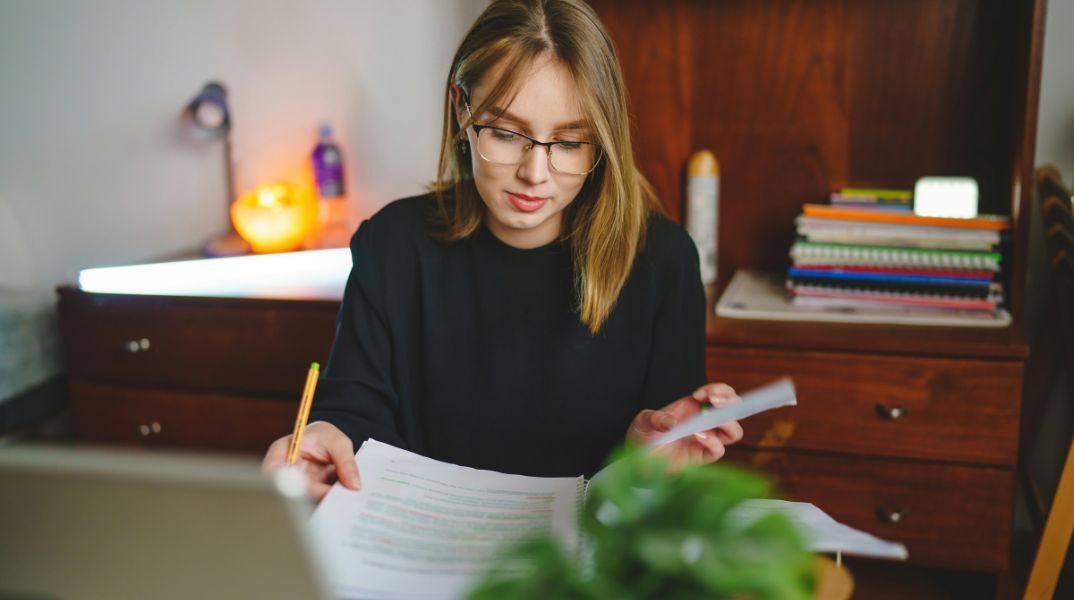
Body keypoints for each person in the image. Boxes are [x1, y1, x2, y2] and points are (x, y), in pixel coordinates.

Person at [263, 0, 743, 502]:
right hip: (418, 552)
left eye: (570, 142)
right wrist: (326, 441)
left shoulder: (662, 261)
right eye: (507, 134)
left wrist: (646, 459)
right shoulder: (392, 245)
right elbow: (353, 416)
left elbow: (663, 476)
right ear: (460, 108)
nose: (535, 174)